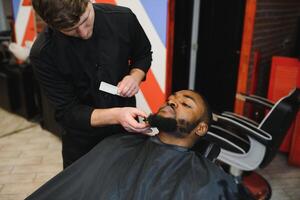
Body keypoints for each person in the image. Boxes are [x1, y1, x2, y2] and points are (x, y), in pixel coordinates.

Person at [25, 90, 239, 200]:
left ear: (200, 128)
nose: (172, 101)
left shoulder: (210, 180)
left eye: (185, 104)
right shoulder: (119, 144)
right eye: (171, 98)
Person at [30, 0, 153, 168]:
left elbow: (143, 54)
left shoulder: (123, 18)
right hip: (82, 143)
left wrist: (135, 76)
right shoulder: (44, 53)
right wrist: (117, 115)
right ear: (51, 25)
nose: (83, 32)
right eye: (70, 30)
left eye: (85, 20)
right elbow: (68, 112)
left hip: (127, 133)